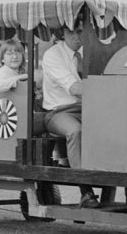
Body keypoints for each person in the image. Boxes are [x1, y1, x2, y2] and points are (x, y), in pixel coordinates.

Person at [41, 25, 97, 207]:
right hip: (58, 112)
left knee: (113, 126)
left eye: (80, 31)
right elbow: (73, 87)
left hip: (88, 108)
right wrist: (107, 92)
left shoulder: (90, 52)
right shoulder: (53, 55)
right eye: (70, 32)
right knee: (75, 131)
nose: (76, 36)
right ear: (62, 34)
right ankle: (86, 192)